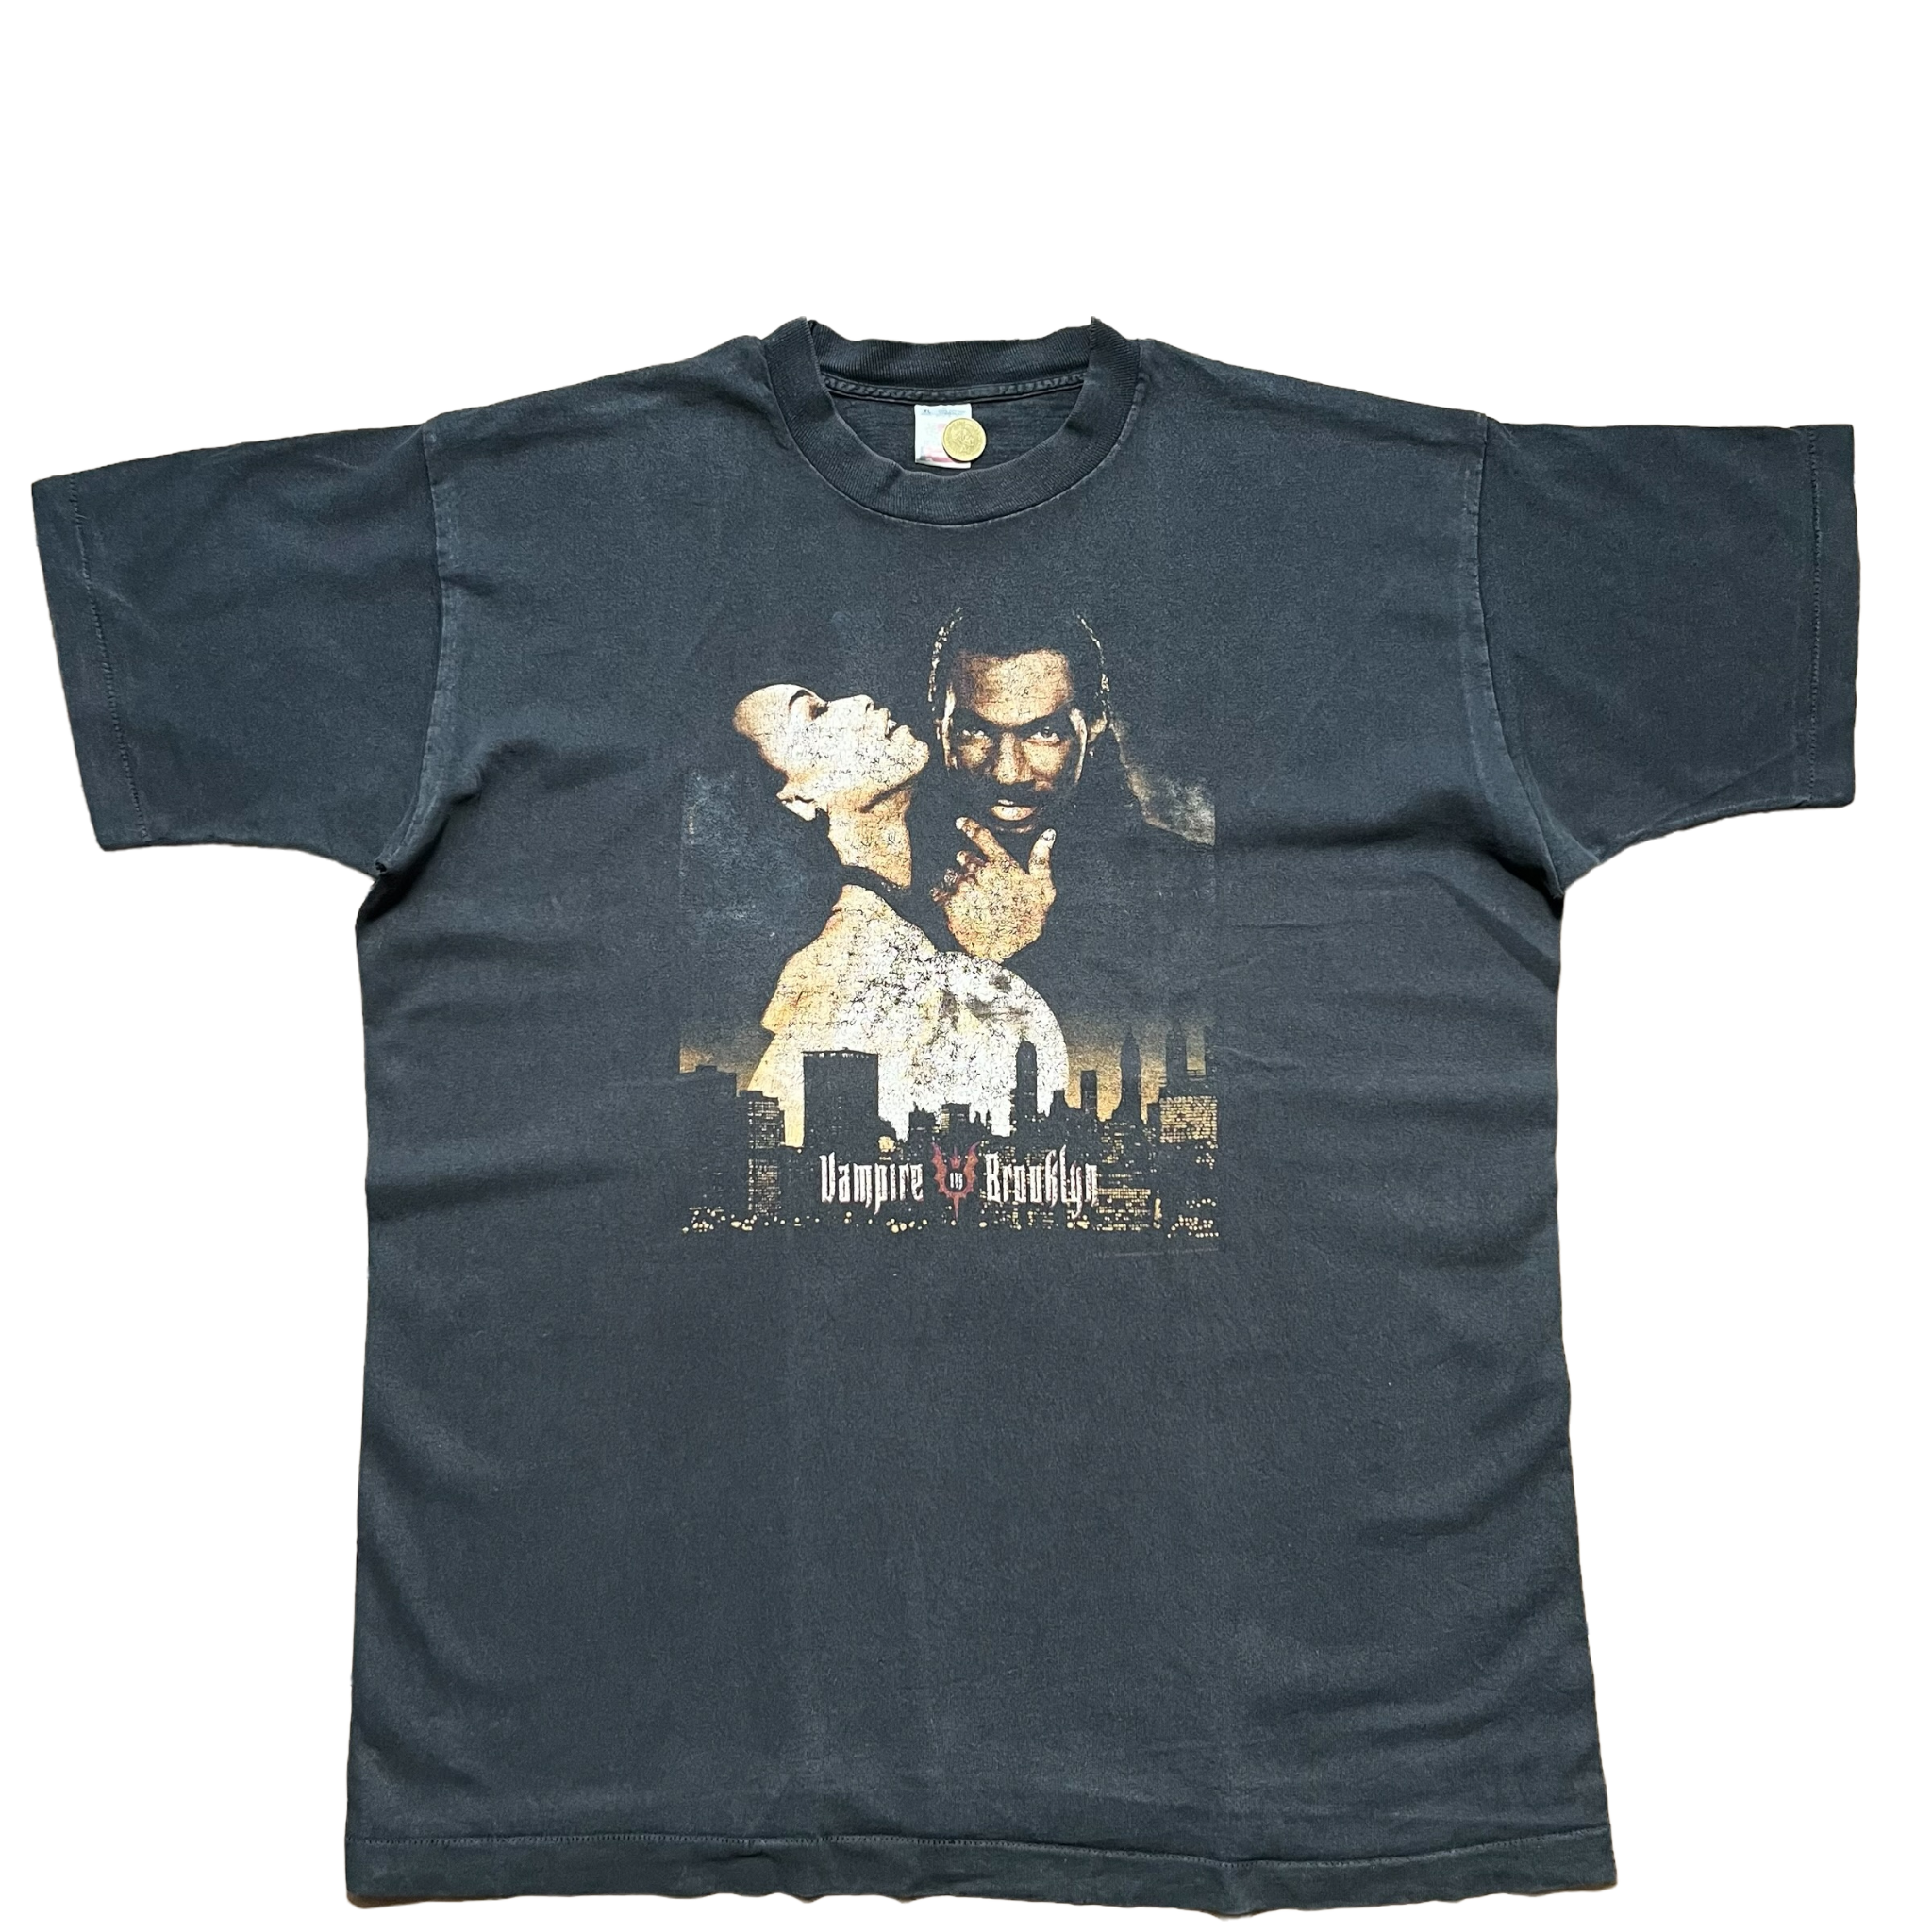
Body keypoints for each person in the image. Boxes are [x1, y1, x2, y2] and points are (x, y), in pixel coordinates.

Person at [731, 682, 1067, 1143]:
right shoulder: (849, 964)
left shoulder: (912, 917)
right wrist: (998, 960)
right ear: (801, 799)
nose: (859, 702)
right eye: (814, 714)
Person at [910, 609, 1215, 1031]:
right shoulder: (889, 886)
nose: (1008, 773)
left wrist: (1019, 955)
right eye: (975, 732)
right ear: (940, 728)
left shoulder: (1191, 884)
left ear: (1094, 725)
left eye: (1044, 733)